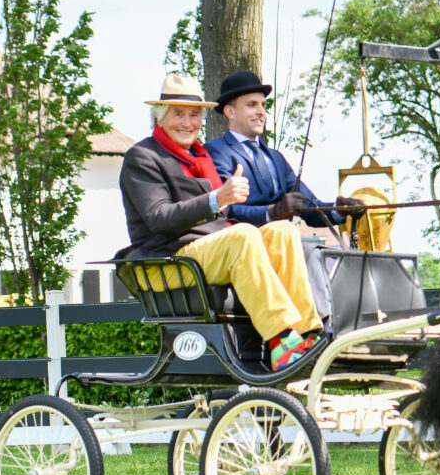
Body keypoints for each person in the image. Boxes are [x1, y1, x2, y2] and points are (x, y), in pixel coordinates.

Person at [118, 73, 322, 371]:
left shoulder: (200, 158)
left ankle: (306, 333)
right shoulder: (143, 157)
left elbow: (225, 216)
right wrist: (216, 199)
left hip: (207, 252)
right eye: (179, 115)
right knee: (241, 236)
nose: (188, 123)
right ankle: (283, 340)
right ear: (160, 118)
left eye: (194, 115)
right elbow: (158, 217)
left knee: (281, 230)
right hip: (170, 259)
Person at [204, 70, 364, 230]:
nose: (261, 112)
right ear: (230, 112)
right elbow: (223, 208)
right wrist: (273, 212)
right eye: (252, 104)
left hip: (282, 241)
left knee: (320, 253)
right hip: (243, 244)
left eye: (263, 105)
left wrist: (340, 209)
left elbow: (310, 208)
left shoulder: (276, 158)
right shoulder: (216, 152)